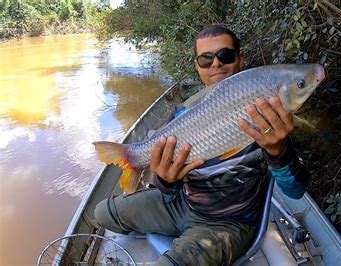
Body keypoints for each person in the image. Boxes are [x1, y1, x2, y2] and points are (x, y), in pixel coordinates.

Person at [94, 25, 309, 265]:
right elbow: (166, 190)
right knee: (102, 213)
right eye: (206, 59)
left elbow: (296, 191)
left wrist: (279, 151)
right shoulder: (180, 115)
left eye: (225, 55)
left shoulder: (267, 114)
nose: (215, 63)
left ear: (240, 59)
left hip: (228, 223)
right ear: (197, 66)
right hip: (182, 206)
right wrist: (166, 180)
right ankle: (179, 233)